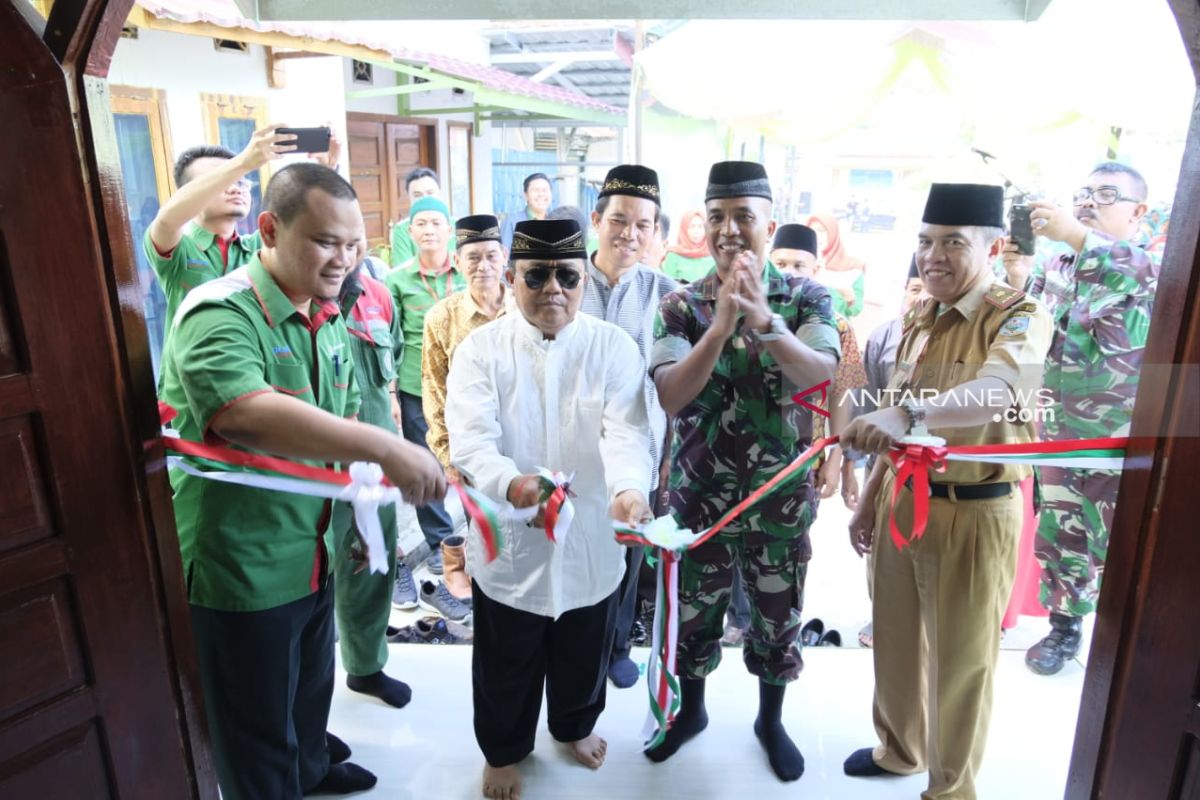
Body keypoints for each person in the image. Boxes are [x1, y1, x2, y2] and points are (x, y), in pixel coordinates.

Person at [159, 163, 446, 799]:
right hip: (245, 566)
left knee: (310, 689)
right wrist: (383, 445)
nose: (343, 260)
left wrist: (372, 497)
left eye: (353, 245)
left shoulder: (326, 314)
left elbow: (337, 418)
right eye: (325, 242)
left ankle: (311, 768)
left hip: (313, 552)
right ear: (269, 228)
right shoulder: (218, 311)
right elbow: (245, 415)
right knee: (256, 727)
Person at [840, 182, 1051, 800]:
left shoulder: (1019, 315)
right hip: (902, 502)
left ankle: (951, 789)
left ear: (993, 246)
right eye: (926, 242)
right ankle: (900, 750)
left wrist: (903, 416)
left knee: (961, 665)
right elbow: (894, 420)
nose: (934, 256)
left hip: (975, 511)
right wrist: (870, 498)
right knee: (897, 640)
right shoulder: (918, 316)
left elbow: (1000, 392)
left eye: (953, 242)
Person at [445, 217, 654, 800]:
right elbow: (473, 442)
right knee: (505, 658)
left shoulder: (612, 346)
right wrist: (513, 486)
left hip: (590, 535)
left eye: (567, 275)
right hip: (511, 540)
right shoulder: (480, 350)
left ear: (584, 279)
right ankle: (504, 750)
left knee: (584, 651)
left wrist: (629, 490)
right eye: (537, 276)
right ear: (512, 279)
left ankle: (573, 727)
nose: (553, 289)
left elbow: (626, 433)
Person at [647, 161, 840, 782]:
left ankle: (770, 720)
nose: (729, 230)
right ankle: (691, 713)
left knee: (776, 619)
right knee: (692, 617)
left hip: (779, 502)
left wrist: (764, 322)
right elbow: (671, 395)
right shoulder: (680, 303)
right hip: (697, 501)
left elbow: (820, 374)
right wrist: (721, 325)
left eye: (743, 217)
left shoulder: (807, 296)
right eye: (717, 218)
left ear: (769, 225)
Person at [1003, 162, 1158, 675]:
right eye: (1083, 193)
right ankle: (1064, 630)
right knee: (1062, 532)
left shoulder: (1154, 265)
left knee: (1129, 544)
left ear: (1138, 212)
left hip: (1125, 443)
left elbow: (1125, 269)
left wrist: (1072, 232)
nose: (1089, 201)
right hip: (1060, 437)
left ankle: (1133, 643)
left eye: (1106, 194)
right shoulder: (1056, 267)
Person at [579, 164, 679, 689]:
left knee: (626, 552)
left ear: (656, 232)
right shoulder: (564, 282)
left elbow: (676, 387)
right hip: (571, 451)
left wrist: (667, 455)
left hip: (639, 454)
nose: (630, 234)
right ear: (597, 219)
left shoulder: (668, 295)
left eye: (644, 225)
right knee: (570, 549)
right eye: (619, 220)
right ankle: (573, 646)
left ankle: (616, 644)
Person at [329, 241, 410, 708]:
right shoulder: (296, 301)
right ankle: (309, 701)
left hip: (374, 467)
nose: (344, 248)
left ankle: (365, 667)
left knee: (370, 565)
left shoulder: (378, 295)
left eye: (352, 235)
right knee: (315, 580)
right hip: (311, 468)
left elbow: (391, 366)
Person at [421, 214, 515, 602]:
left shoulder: (524, 306)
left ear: (504, 257)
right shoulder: (441, 318)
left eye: (491, 256)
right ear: (457, 262)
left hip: (521, 437)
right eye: (473, 258)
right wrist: (447, 456)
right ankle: (480, 591)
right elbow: (434, 389)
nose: (483, 266)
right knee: (484, 528)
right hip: (471, 447)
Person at [384, 195, 463, 577]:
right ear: (410, 231)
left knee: (477, 460)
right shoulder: (396, 279)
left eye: (436, 223)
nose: (429, 230)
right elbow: (390, 339)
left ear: (449, 230)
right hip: (419, 390)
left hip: (470, 388)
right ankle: (441, 545)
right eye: (421, 224)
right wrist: (392, 392)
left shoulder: (467, 272)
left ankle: (485, 535)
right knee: (425, 467)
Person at [145, 126, 294, 328]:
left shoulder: (262, 243)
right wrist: (242, 163)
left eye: (241, 182)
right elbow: (166, 220)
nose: (235, 188)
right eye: (222, 181)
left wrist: (327, 169)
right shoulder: (179, 247)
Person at [853, 254, 924, 647]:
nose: (921, 297)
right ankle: (880, 614)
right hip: (885, 460)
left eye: (928, 289)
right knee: (878, 540)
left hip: (934, 465)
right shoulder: (883, 336)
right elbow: (868, 400)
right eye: (915, 289)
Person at [771, 223, 865, 505]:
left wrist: (836, 457)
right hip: (745, 453)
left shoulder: (837, 325)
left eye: (800, 265)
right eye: (781, 263)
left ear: (816, 269)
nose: (789, 272)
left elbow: (842, 394)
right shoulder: (752, 315)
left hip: (805, 458)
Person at [390, 167, 455, 267]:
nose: (425, 199)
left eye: (430, 193)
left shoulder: (459, 225)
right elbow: (403, 271)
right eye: (417, 195)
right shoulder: (401, 230)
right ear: (409, 198)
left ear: (439, 193)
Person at [807, 212, 865, 318]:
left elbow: (855, 309)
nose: (816, 236)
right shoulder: (800, 262)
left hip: (835, 329)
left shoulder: (852, 267)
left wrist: (848, 298)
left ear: (833, 232)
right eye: (811, 231)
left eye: (821, 231)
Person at [500, 172, 554, 252]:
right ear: (525, 195)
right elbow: (504, 258)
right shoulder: (512, 222)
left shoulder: (556, 221)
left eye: (545, 190)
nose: (541, 194)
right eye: (536, 190)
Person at [661, 209, 716, 283]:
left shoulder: (713, 253)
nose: (696, 231)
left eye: (700, 227)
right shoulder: (673, 255)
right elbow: (667, 285)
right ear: (684, 229)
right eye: (692, 227)